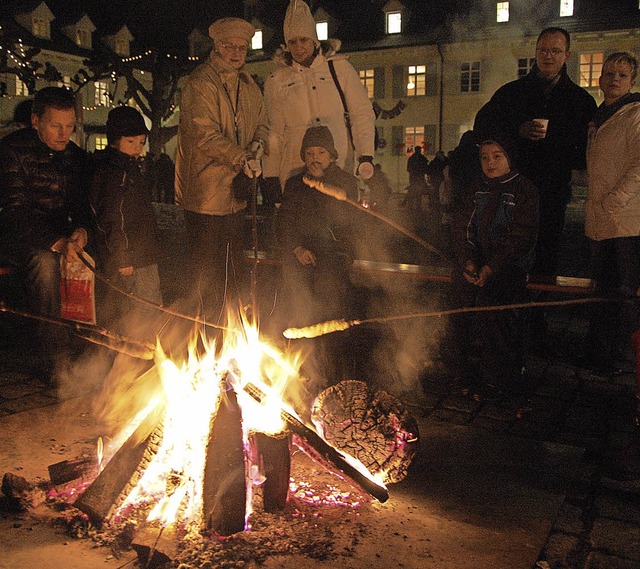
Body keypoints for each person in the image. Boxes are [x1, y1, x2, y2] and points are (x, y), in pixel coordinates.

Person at [474, 27, 596, 278]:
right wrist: (516, 130)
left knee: (546, 250)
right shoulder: (511, 93)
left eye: (555, 51)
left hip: (552, 190)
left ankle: (538, 309)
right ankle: (505, 306)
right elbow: (484, 126)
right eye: (543, 50)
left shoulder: (580, 100)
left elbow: (585, 147)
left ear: (567, 55)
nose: (548, 56)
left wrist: (557, 139)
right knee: (507, 249)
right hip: (512, 190)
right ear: (535, 53)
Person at [175, 17, 267, 319]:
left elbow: (262, 126)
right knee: (207, 276)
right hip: (205, 196)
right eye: (230, 46)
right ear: (217, 45)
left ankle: (230, 335)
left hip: (235, 196)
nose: (237, 53)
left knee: (234, 274)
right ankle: (205, 336)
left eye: (242, 48)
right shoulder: (201, 82)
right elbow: (205, 135)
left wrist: (257, 147)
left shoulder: (249, 85)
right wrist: (242, 158)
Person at [0, 86, 90, 380]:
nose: (64, 133)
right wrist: (56, 242)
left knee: (94, 259)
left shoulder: (75, 156)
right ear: (36, 121)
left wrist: (81, 232)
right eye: (56, 126)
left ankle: (92, 345)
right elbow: (15, 211)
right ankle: (54, 357)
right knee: (45, 264)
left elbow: (82, 205)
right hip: (16, 237)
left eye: (70, 126)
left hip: (59, 234)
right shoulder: (12, 151)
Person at [449, 138, 539, 405]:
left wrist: (492, 266)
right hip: (476, 265)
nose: (490, 163)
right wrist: (469, 262)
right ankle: (463, 371)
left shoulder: (523, 190)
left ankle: (499, 377)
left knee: (492, 310)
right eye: (485, 157)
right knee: (458, 305)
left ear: (509, 157)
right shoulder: (475, 189)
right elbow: (461, 228)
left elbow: (520, 236)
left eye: (497, 156)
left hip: (509, 266)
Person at [263, 0, 375, 199]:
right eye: (292, 41)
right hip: (296, 169)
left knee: (341, 220)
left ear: (314, 41)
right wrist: (270, 174)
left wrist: (365, 156)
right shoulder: (276, 80)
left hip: (337, 164)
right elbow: (275, 132)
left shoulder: (339, 69)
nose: (299, 47)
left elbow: (361, 114)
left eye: (304, 40)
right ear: (286, 45)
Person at [277, 126, 359, 389]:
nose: (315, 158)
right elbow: (285, 223)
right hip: (301, 260)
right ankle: (304, 372)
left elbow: (352, 227)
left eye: (320, 152)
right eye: (309, 152)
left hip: (333, 260)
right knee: (301, 312)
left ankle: (336, 377)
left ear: (331, 155)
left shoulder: (345, 184)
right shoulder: (294, 184)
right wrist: (297, 249)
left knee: (332, 316)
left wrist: (342, 253)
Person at [584, 52, 640, 376]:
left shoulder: (635, 114)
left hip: (626, 222)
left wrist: (614, 202)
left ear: (631, 81)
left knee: (625, 294)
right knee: (603, 290)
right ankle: (602, 356)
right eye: (608, 73)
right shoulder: (600, 116)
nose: (614, 79)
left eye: (621, 74)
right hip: (601, 221)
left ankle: (624, 358)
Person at [89, 106, 162, 338]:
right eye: (131, 142)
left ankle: (145, 352)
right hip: (132, 257)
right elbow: (112, 216)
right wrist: (123, 256)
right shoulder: (113, 173)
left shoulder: (129, 169)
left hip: (143, 253)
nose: (137, 148)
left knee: (149, 306)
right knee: (141, 309)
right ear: (114, 141)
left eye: (141, 142)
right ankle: (136, 354)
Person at [405, 145, 429, 212]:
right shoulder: (422, 158)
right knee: (418, 191)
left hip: (414, 177)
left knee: (414, 191)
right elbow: (425, 167)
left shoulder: (412, 158)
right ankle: (416, 205)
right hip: (418, 177)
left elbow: (408, 169)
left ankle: (412, 205)